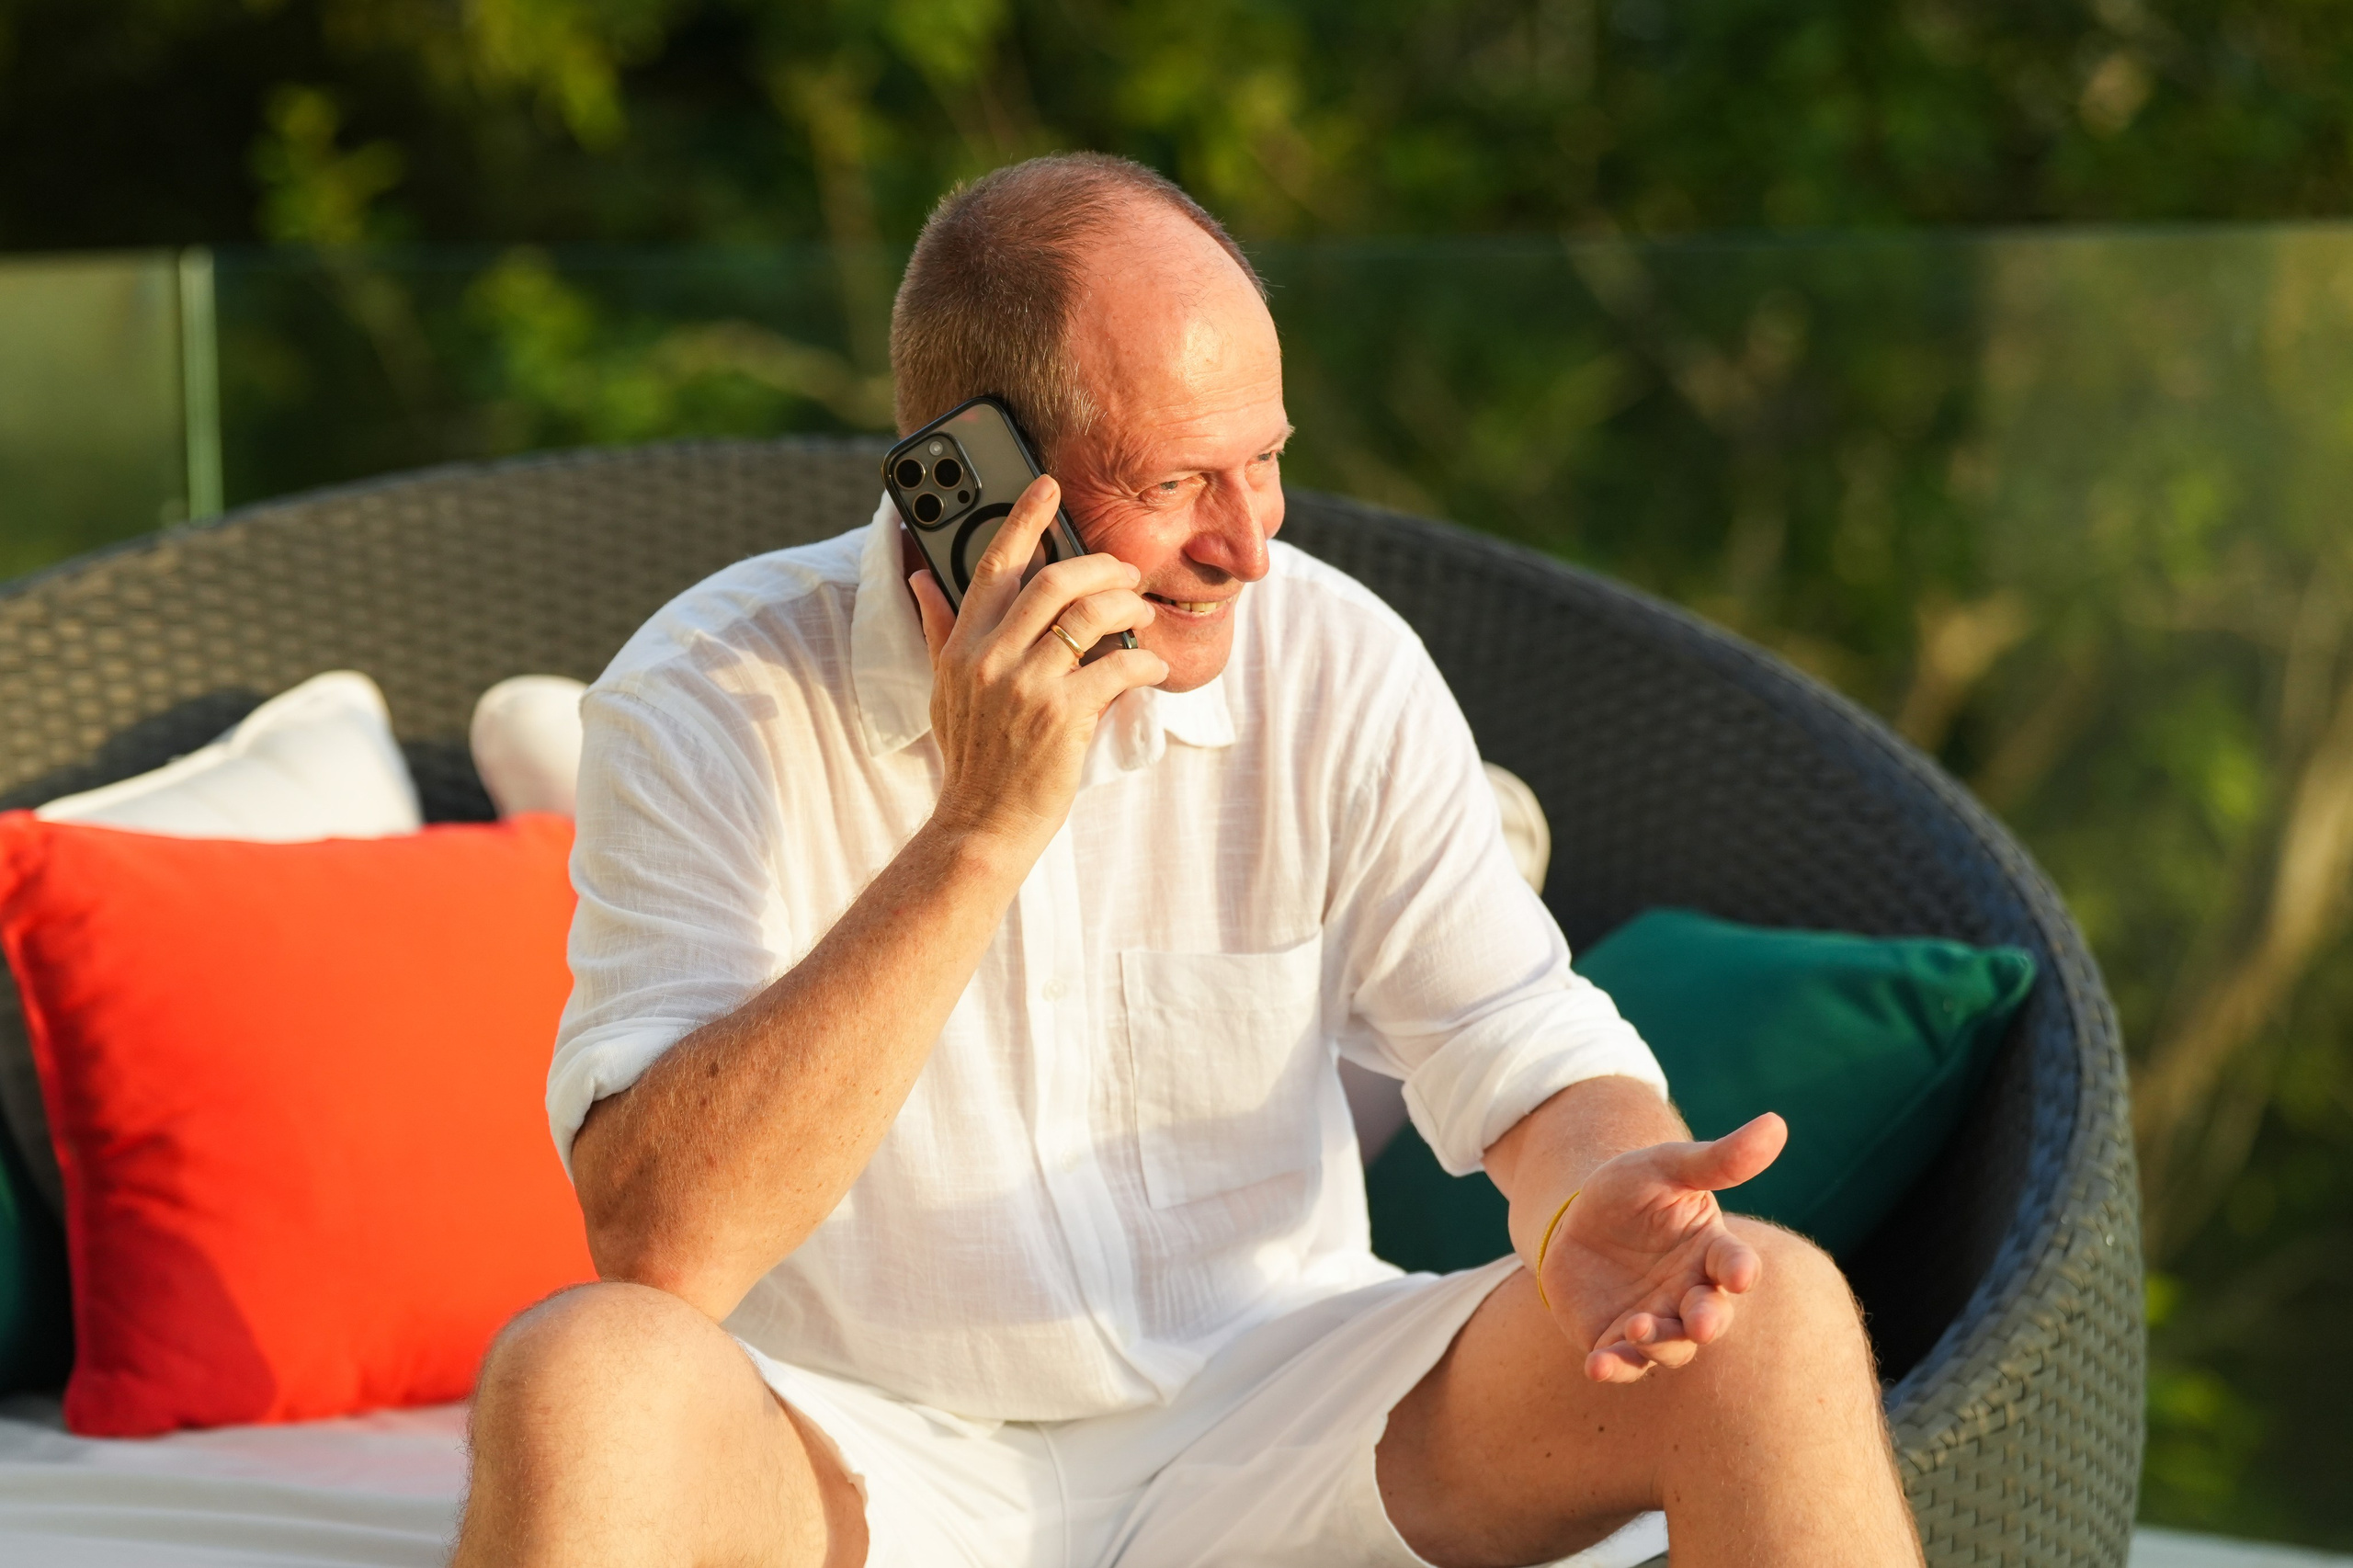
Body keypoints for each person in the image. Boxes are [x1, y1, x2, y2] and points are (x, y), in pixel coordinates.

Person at [452, 153, 1924, 1568]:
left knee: (1774, 1314)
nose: (1251, 548)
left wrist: (1598, 1184)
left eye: (1267, 463)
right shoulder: (714, 695)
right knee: (584, 1371)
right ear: (968, 480)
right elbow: (661, 1244)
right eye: (1176, 485)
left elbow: (1519, 1046)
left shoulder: (1333, 659)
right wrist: (980, 827)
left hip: (1283, 1408)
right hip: (865, 1449)